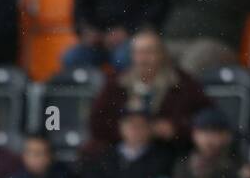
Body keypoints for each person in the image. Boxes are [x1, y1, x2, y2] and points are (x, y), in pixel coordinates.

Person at [88, 30, 213, 158]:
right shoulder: (116, 83)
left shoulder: (184, 83)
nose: (143, 59)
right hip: (121, 150)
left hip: (168, 151)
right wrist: (126, 132)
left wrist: (175, 128)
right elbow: (97, 122)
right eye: (139, 53)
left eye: (149, 52)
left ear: (162, 55)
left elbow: (206, 118)